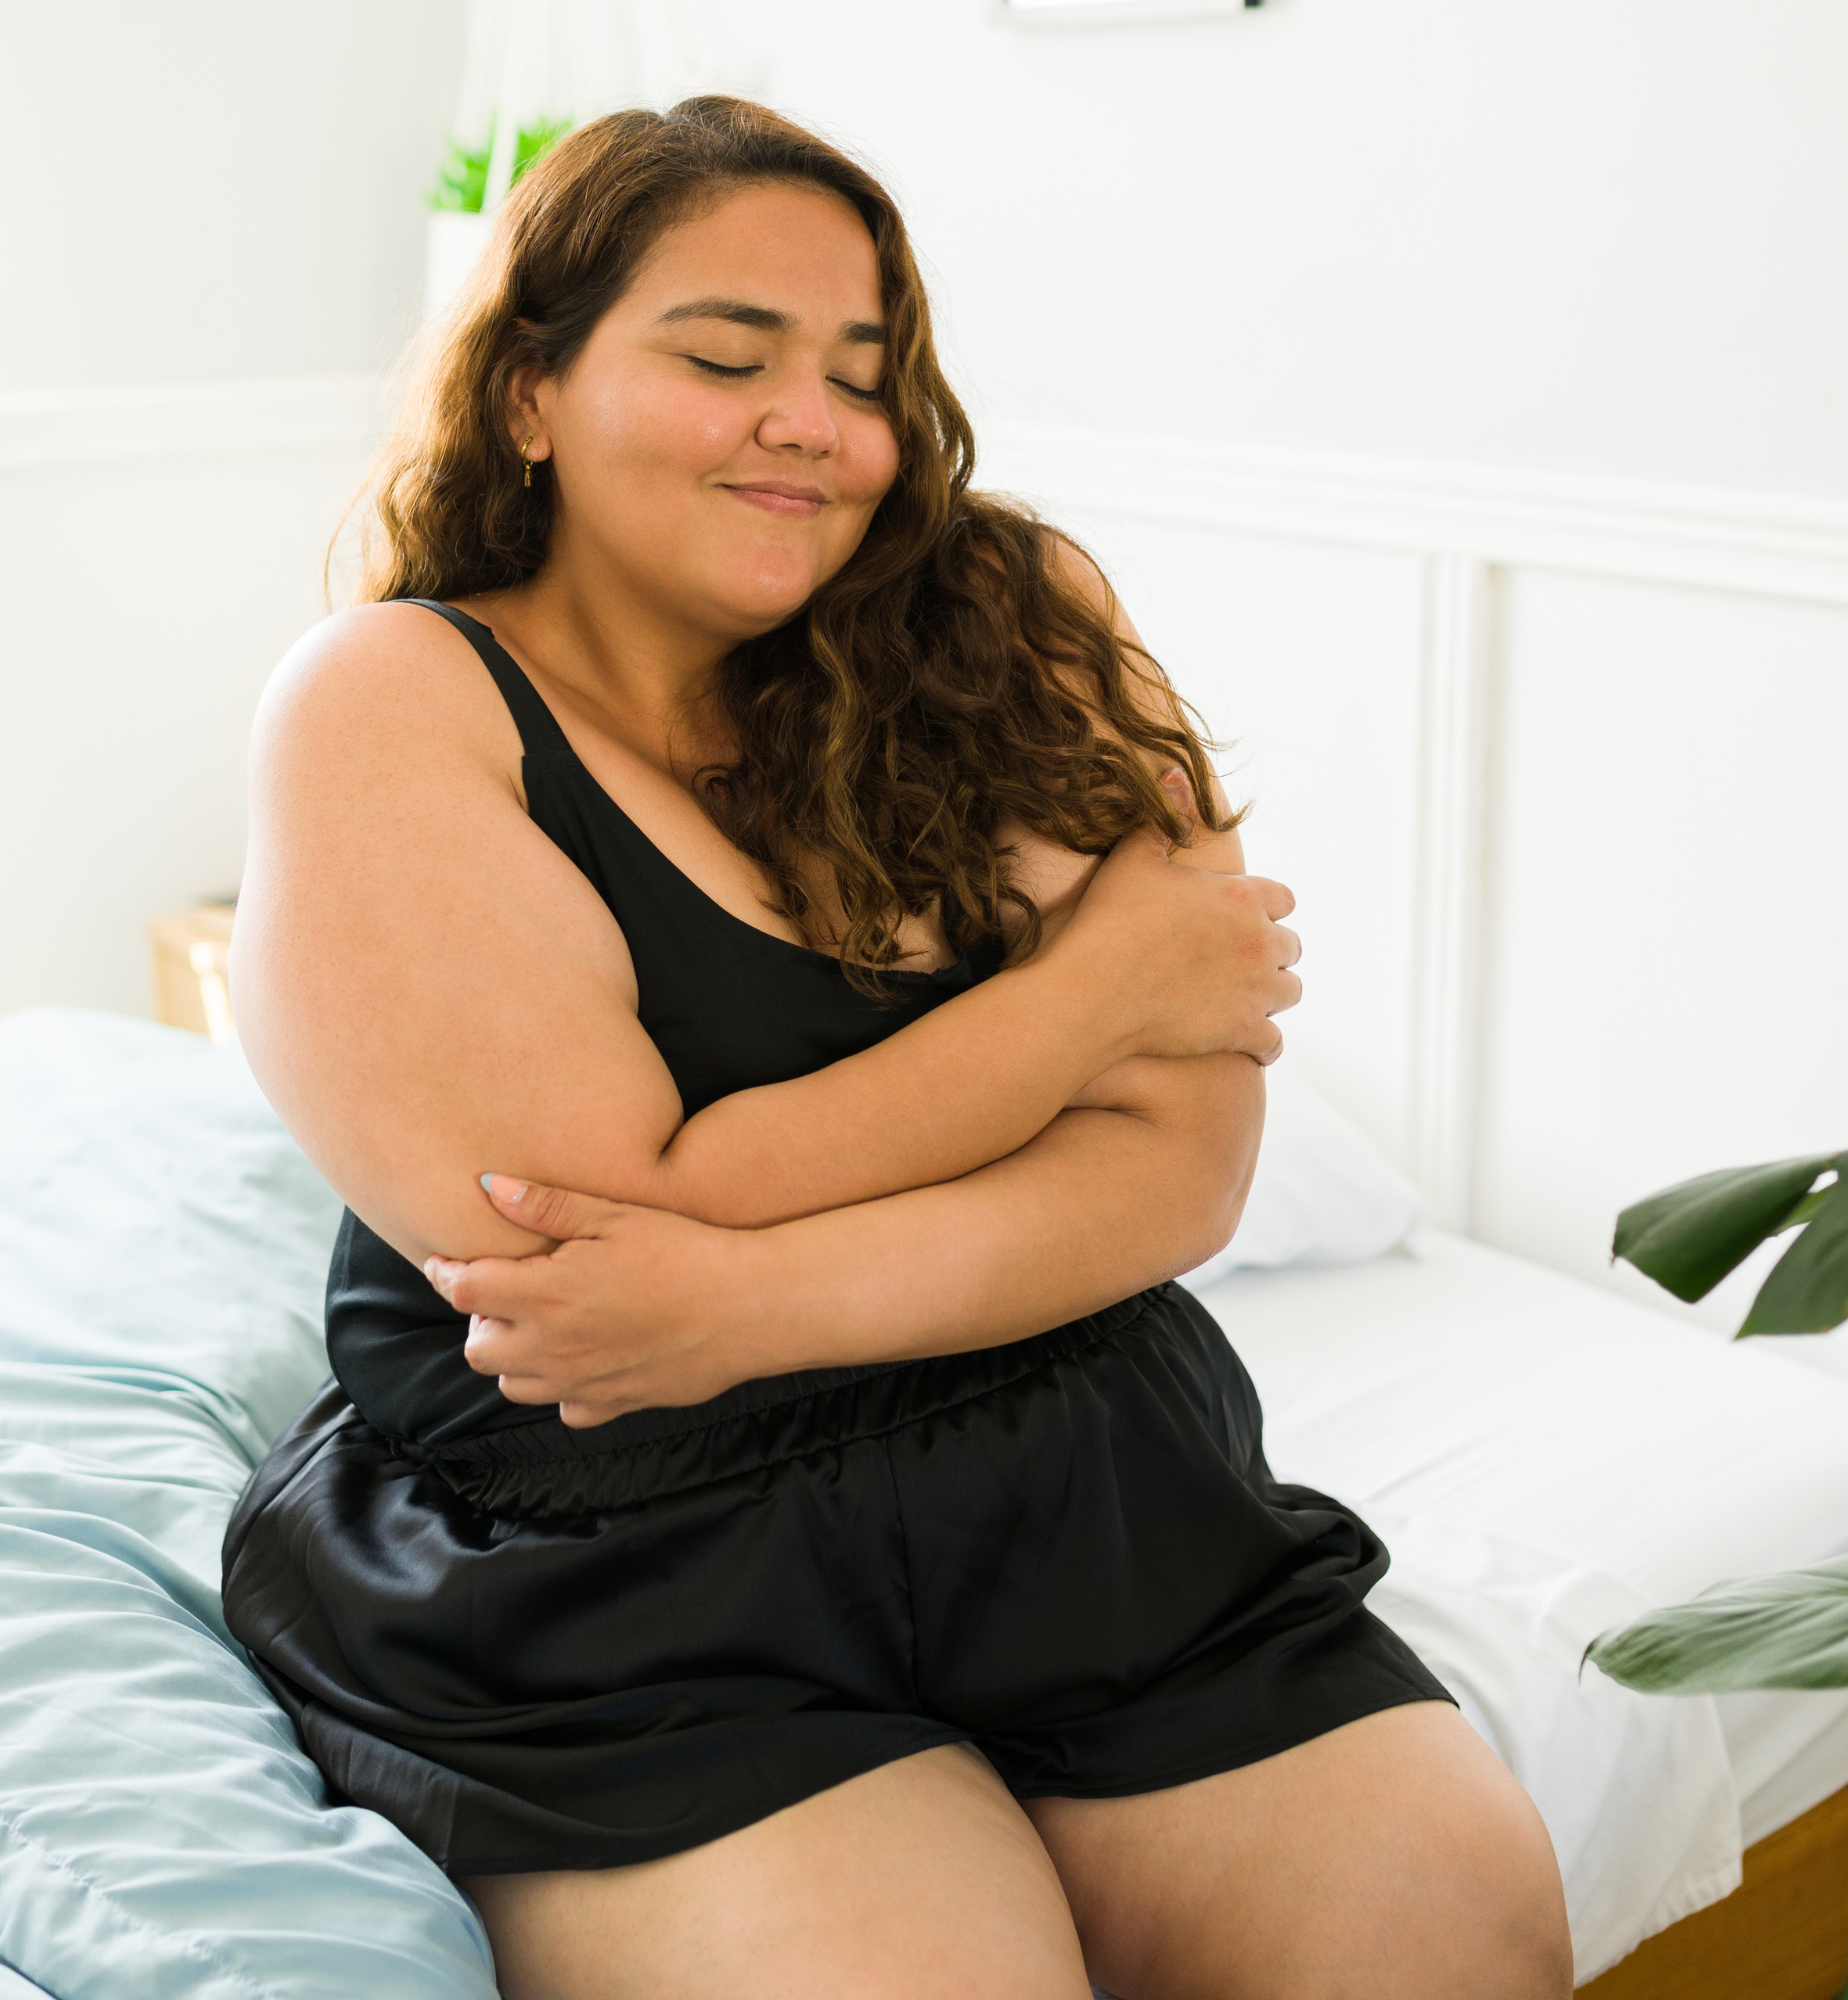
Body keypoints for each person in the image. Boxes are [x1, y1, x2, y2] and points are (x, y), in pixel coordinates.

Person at [220, 96, 1570, 2000]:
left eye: (864, 375)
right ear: (530, 388)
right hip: (613, 1567)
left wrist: (740, 1295)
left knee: (1453, 1932)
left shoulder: (1011, 616)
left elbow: (1184, 1162)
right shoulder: (393, 700)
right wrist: (1092, 996)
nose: (815, 425)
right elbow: (589, 1230)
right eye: (725, 356)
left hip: (1086, 1488)